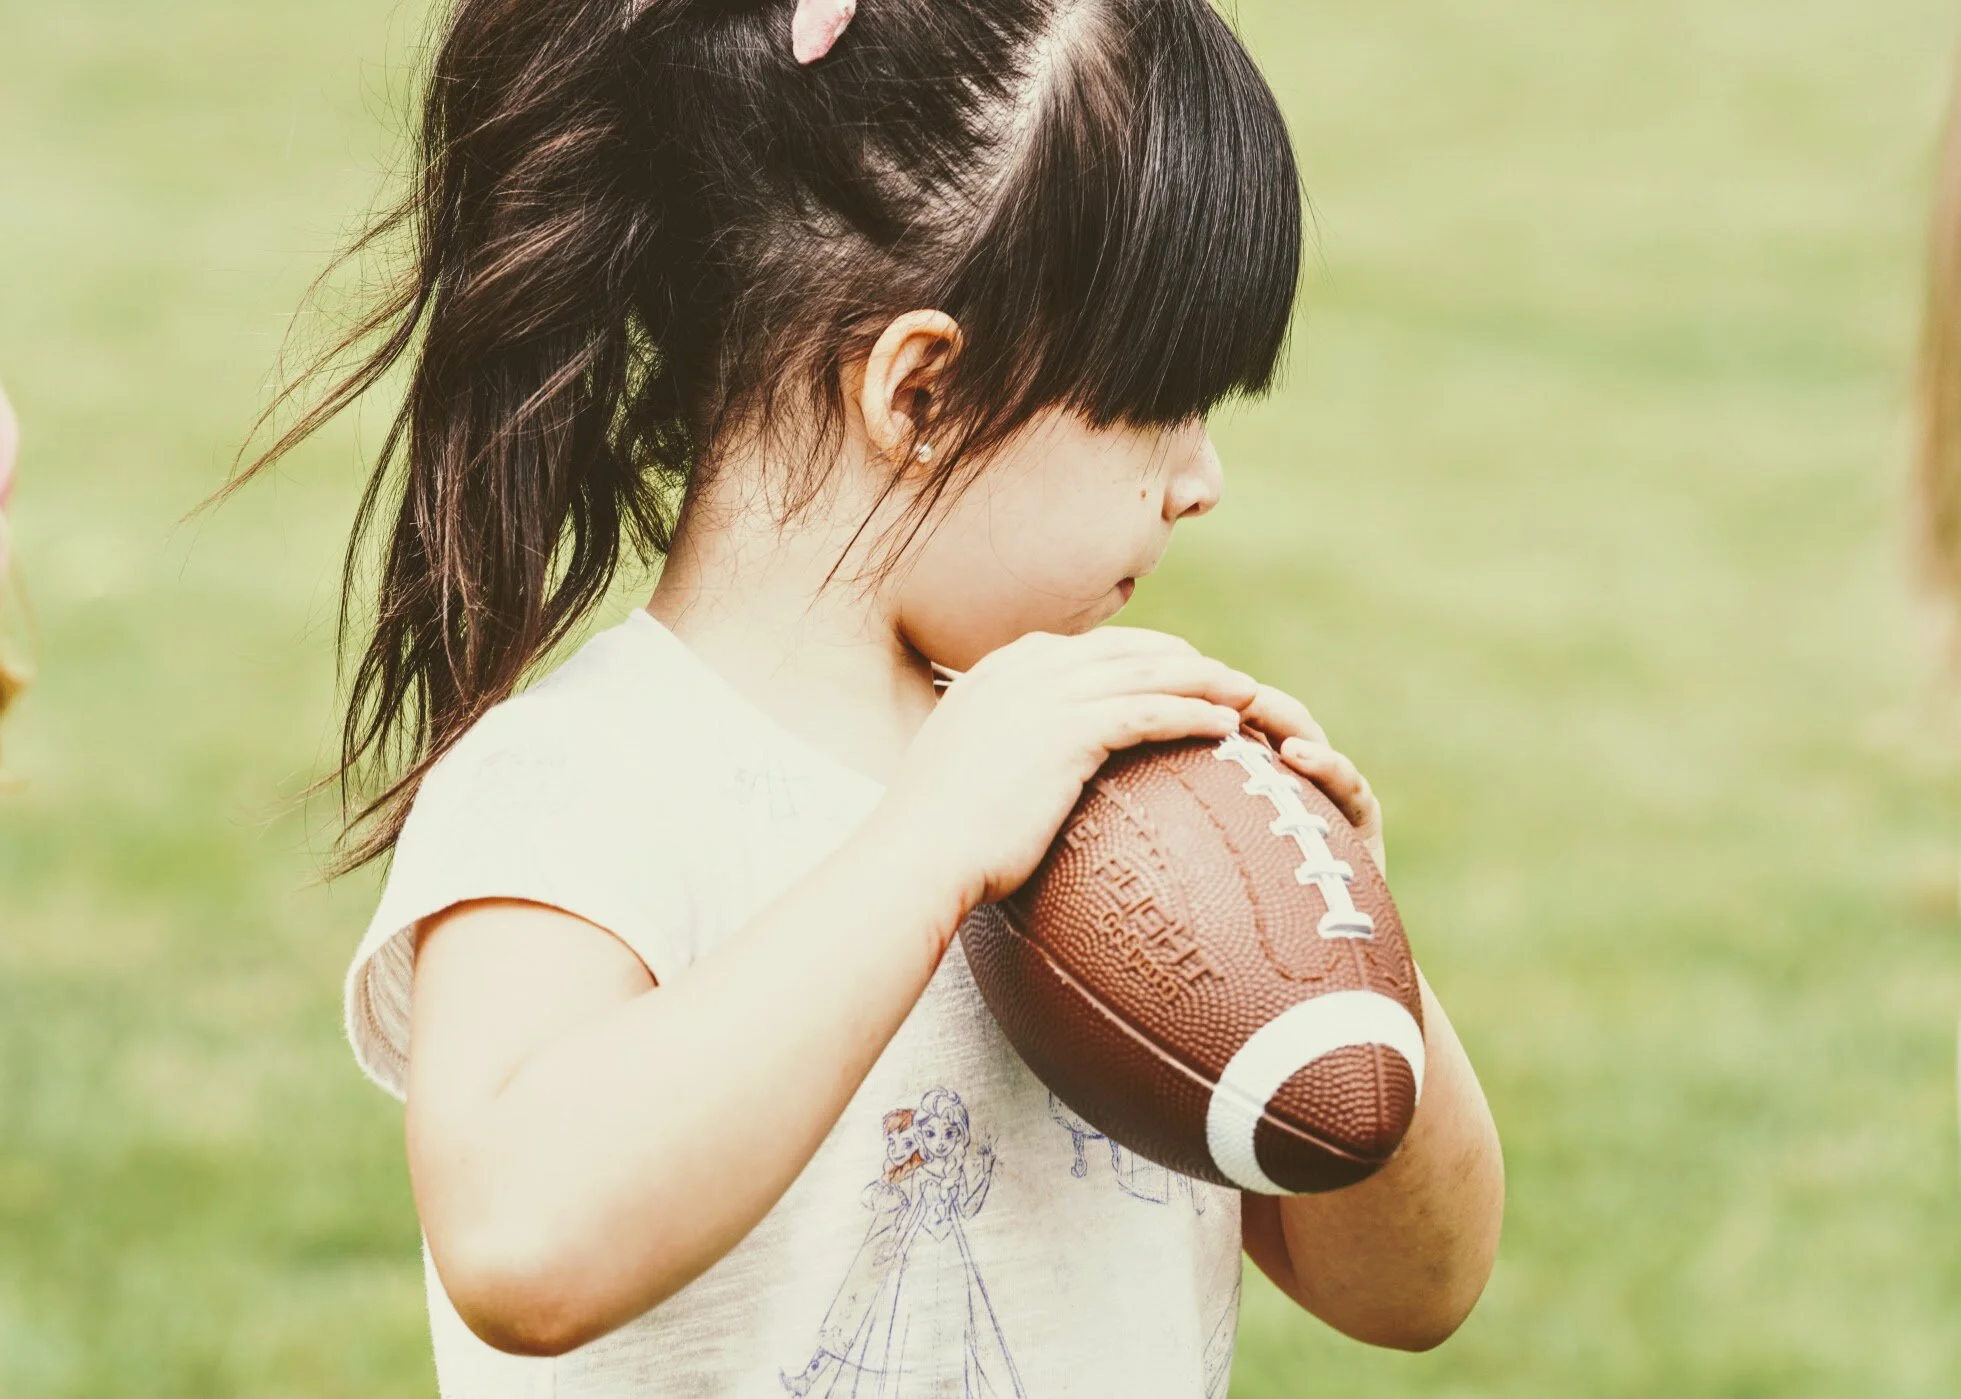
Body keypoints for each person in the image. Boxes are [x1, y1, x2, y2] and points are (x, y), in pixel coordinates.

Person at [244, 0, 1504, 1392]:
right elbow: (521, 1242)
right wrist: (925, 848)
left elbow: (1417, 1288)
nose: (1202, 480)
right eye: (1162, 406)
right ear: (921, 392)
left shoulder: (1126, 798)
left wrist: (1352, 971)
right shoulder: (580, 786)